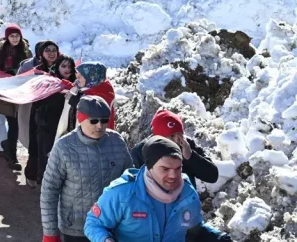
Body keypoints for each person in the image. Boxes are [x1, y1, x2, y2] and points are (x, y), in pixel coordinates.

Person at [85, 137, 232, 242]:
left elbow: (194, 229)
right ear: (149, 167)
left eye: (178, 168)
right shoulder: (122, 193)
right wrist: (106, 239)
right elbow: (93, 223)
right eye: (165, 169)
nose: (173, 175)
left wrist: (219, 238)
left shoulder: (188, 193)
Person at [40, 96, 131, 242]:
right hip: (76, 229)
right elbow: (49, 190)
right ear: (81, 119)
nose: (100, 126)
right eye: (94, 121)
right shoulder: (63, 147)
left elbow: (130, 183)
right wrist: (50, 232)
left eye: (104, 120)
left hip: (112, 226)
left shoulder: (117, 142)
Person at [28, 54, 81, 188]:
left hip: (66, 131)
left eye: (70, 66)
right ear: (57, 67)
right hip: (47, 129)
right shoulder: (48, 82)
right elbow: (37, 104)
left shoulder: (77, 86)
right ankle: (45, 187)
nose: (67, 69)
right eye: (63, 66)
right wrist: (56, 93)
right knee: (46, 160)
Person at [130, 109, 220, 187]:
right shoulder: (140, 153)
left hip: (185, 203)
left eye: (180, 134)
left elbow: (213, 176)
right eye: (172, 136)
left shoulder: (186, 145)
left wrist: (191, 157)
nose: (177, 140)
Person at [0, 24, 31, 168]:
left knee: (18, 124)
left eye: (17, 36)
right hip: (6, 93)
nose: (15, 38)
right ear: (7, 37)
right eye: (12, 36)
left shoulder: (26, 51)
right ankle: (12, 157)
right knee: (13, 124)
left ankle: (8, 146)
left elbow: (31, 70)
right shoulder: (1, 53)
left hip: (21, 93)